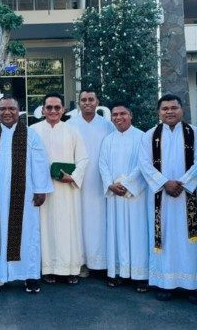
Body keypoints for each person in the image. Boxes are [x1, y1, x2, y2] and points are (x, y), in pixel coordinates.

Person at [0, 96, 53, 293]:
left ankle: (30, 276)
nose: (7, 112)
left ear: (18, 111)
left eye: (11, 108)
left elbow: (39, 163)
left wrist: (40, 190)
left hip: (25, 196)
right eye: (3, 109)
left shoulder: (30, 135)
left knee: (28, 235)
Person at [140, 94, 197, 304]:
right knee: (164, 238)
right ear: (158, 112)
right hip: (162, 197)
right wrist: (164, 183)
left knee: (190, 240)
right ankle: (164, 283)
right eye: (165, 108)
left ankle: (192, 285)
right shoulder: (150, 135)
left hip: (188, 196)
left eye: (174, 108)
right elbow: (144, 163)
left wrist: (183, 182)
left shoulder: (194, 133)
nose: (169, 111)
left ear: (181, 110)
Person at [30, 92, 89, 284]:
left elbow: (83, 158)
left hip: (67, 190)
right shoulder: (33, 131)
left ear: (63, 109)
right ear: (42, 109)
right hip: (43, 190)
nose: (53, 111)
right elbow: (27, 161)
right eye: (49, 107)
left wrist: (72, 177)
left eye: (57, 107)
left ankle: (71, 269)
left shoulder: (73, 131)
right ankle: (48, 269)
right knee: (44, 228)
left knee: (68, 228)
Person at [98, 103, 149, 292]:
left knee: (137, 233)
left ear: (131, 115)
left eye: (123, 114)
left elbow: (144, 164)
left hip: (135, 196)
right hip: (114, 195)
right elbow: (102, 164)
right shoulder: (108, 140)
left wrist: (127, 184)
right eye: (115, 114)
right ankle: (117, 272)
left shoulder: (143, 137)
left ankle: (140, 275)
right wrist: (110, 184)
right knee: (116, 232)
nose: (119, 117)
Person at [67, 90, 115, 277]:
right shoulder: (70, 125)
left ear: (97, 102)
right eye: (83, 100)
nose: (87, 103)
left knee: (99, 221)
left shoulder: (107, 125)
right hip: (77, 181)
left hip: (100, 181)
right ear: (79, 103)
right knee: (79, 222)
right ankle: (81, 262)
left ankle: (101, 262)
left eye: (91, 99)